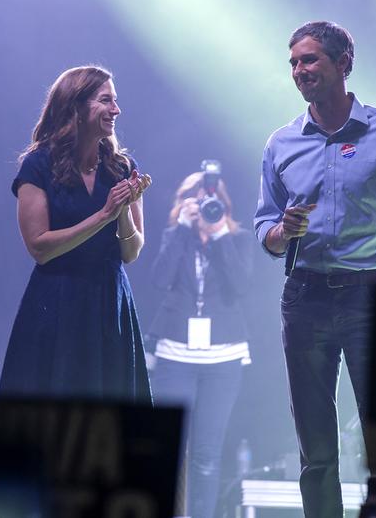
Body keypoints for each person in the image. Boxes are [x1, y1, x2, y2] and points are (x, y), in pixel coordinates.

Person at [253, 21, 376, 517]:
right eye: (293, 62)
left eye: (310, 59)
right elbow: (265, 229)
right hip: (306, 297)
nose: (299, 71)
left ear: (343, 63)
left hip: (372, 295)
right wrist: (282, 232)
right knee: (315, 446)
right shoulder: (281, 143)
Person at [0, 65, 153, 402]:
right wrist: (103, 215)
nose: (116, 109)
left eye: (116, 100)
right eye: (105, 100)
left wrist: (124, 208)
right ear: (77, 108)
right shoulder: (38, 165)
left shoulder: (121, 167)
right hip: (58, 301)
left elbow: (131, 252)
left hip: (109, 302)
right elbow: (40, 248)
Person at [146, 167, 253, 518]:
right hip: (175, 354)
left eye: (212, 202)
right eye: (196, 201)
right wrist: (182, 229)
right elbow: (160, 279)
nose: (205, 207)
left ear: (222, 205)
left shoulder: (236, 239)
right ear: (183, 204)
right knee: (169, 447)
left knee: (207, 452)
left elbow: (239, 286)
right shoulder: (176, 237)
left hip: (223, 359)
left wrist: (219, 232)